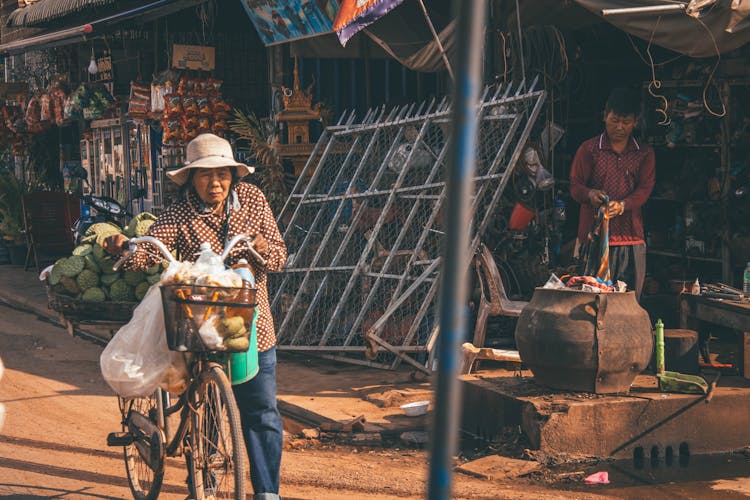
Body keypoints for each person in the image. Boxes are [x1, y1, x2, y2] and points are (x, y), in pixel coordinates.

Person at [104, 133, 287, 500]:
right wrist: (123, 248)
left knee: (261, 410)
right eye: (204, 175)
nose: (214, 183)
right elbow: (151, 248)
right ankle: (203, 484)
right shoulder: (180, 212)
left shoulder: (253, 199)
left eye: (221, 174)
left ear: (234, 175)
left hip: (250, 328)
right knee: (203, 405)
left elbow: (279, 255)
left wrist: (263, 248)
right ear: (191, 178)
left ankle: (268, 493)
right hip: (197, 327)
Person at [570, 88, 655, 299]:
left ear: (635, 122)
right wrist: (590, 194)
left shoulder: (643, 153)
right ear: (604, 116)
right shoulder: (589, 149)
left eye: (626, 122)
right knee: (592, 298)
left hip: (630, 238)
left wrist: (624, 205)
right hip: (594, 238)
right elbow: (575, 186)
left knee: (629, 299)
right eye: (614, 120)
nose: (619, 127)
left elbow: (645, 189)